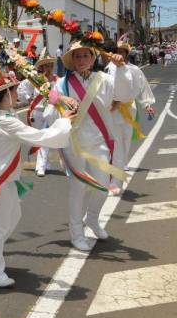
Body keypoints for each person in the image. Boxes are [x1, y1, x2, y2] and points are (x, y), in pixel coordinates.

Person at [0, 67, 73, 288]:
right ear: (5, 95)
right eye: (14, 91)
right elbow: (41, 136)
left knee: (12, 216)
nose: (17, 94)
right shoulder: (6, 121)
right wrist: (64, 122)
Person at [56, 41, 135, 251]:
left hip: (99, 141)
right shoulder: (63, 83)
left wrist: (121, 68)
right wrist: (60, 105)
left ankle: (92, 219)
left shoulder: (105, 79)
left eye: (85, 56)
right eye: (77, 56)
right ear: (72, 60)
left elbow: (125, 95)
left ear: (93, 58)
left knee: (102, 186)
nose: (81, 60)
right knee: (78, 188)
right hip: (74, 143)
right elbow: (50, 107)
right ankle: (76, 233)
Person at [106, 41, 156, 194]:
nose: (120, 54)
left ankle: (120, 165)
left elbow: (143, 88)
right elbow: (105, 88)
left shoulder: (135, 70)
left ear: (126, 54)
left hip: (129, 109)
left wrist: (146, 104)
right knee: (116, 144)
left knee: (126, 140)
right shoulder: (109, 68)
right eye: (117, 51)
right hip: (113, 110)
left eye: (123, 51)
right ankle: (115, 177)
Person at [16, 51, 59, 177]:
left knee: (46, 139)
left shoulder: (57, 80)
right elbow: (21, 89)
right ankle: (43, 164)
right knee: (41, 139)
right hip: (37, 112)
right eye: (46, 66)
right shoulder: (34, 79)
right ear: (41, 67)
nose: (49, 68)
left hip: (51, 113)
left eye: (51, 65)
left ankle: (41, 165)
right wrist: (29, 98)